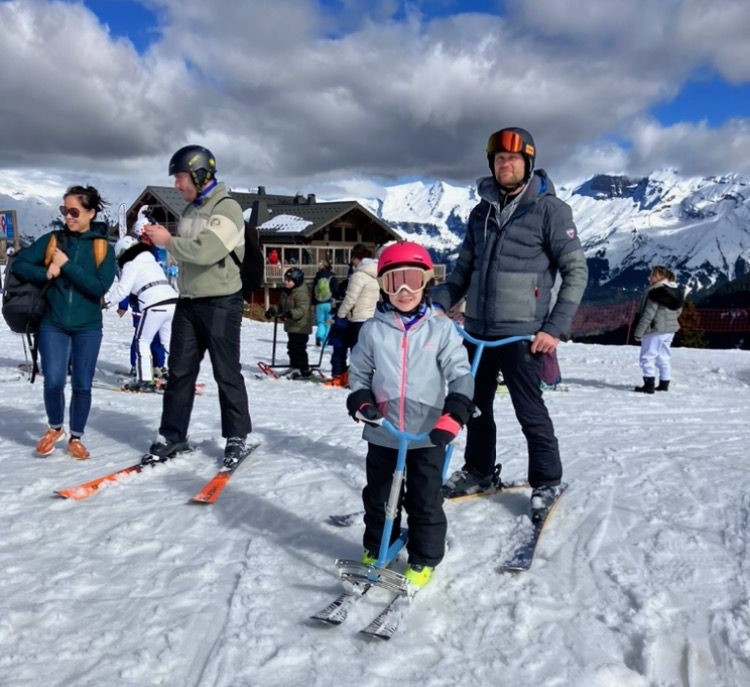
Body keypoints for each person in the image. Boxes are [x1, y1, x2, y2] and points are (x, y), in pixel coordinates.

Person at [431, 126, 588, 520]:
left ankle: (547, 480)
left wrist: (553, 328)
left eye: (513, 159)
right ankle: (480, 471)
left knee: (528, 410)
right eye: (499, 159)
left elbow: (576, 271)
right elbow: (463, 270)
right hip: (477, 331)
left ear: (528, 164)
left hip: (524, 335)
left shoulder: (551, 210)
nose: (506, 164)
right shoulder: (481, 213)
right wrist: (439, 304)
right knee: (474, 407)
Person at [346, 242, 474, 588]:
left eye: (412, 281)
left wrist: (455, 413)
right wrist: (361, 400)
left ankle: (424, 556)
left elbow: (461, 375)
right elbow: (358, 373)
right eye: (394, 282)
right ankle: (379, 545)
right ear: (383, 287)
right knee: (379, 496)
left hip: (428, 434)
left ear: (426, 283)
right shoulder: (373, 330)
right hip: (384, 429)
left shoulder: (440, 329)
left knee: (424, 498)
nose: (404, 291)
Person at [141, 144, 252, 468]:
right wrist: (164, 243)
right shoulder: (191, 211)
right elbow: (188, 252)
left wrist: (168, 241)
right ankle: (173, 435)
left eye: (180, 178)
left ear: (201, 175)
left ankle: (236, 435)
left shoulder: (226, 208)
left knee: (226, 371)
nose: (176, 185)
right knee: (180, 372)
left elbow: (207, 251)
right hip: (189, 302)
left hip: (220, 302)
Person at [12, 185, 116, 459]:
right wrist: (46, 272)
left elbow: (98, 287)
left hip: (88, 327)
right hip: (53, 323)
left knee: (82, 384)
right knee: (54, 381)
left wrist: (67, 265)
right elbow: (19, 264)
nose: (68, 217)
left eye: (74, 211)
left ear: (91, 213)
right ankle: (55, 427)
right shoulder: (53, 240)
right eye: (64, 210)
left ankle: (76, 437)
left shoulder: (103, 247)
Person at [107, 235, 178, 391]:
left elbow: (122, 290)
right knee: (169, 343)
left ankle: (144, 378)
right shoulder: (150, 260)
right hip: (172, 301)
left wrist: (105, 302)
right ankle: (181, 377)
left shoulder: (131, 264)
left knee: (142, 341)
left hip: (154, 304)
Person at [325, 243, 379, 388]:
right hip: (371, 317)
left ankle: (354, 379)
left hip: (358, 318)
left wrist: (340, 315)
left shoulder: (359, 275)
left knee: (355, 351)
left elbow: (350, 298)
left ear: (357, 258)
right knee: (365, 352)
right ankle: (364, 379)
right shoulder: (375, 274)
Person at [632, 265, 684, 393]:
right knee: (663, 356)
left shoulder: (655, 292)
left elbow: (648, 314)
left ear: (660, 277)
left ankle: (649, 385)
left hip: (656, 329)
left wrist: (638, 332)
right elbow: (678, 311)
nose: (650, 278)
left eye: (653, 275)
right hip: (670, 329)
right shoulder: (675, 290)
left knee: (647, 356)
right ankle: (664, 383)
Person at [265, 267, 313, 379]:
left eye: (289, 280)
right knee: (291, 347)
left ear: (296, 281)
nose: (285, 282)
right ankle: (294, 366)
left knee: (298, 348)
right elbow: (281, 306)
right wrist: (273, 310)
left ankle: (303, 368)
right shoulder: (286, 292)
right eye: (285, 279)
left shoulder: (301, 293)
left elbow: (302, 310)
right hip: (292, 326)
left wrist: (289, 314)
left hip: (301, 326)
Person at [311, 258, 337, 346]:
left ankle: (319, 336)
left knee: (320, 322)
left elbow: (313, 290)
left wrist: (313, 302)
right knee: (328, 322)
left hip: (319, 303)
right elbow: (336, 290)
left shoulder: (317, 276)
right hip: (329, 303)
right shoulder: (332, 276)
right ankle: (325, 340)